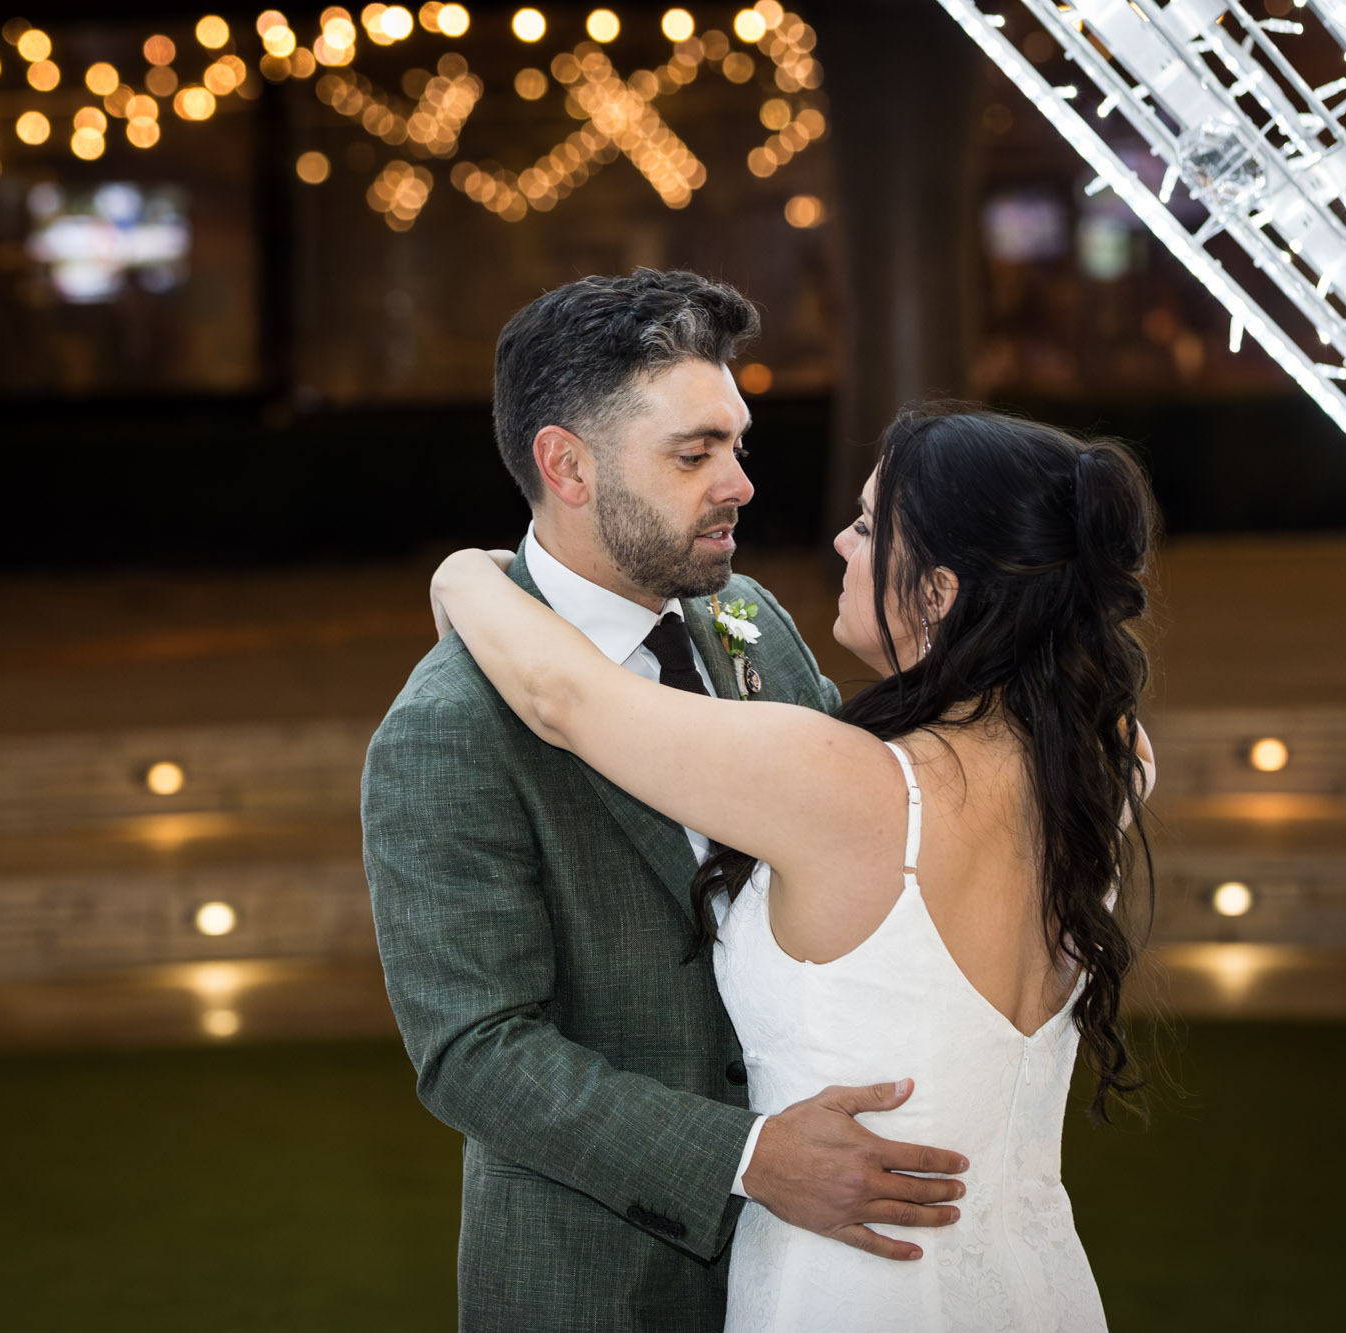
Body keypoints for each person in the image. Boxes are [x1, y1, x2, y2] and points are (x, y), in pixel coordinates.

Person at [427, 401, 1159, 1330]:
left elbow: (561, 696)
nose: (844, 546)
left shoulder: (843, 785)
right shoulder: (1109, 760)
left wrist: (464, 575)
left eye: (866, 526)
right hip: (1034, 1285)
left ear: (936, 591)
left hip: (855, 1291)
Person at [362, 271, 969, 1332]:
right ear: (567, 465)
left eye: (736, 444)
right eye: (693, 455)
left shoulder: (752, 622)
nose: (736, 482)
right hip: (598, 1283)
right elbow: (474, 1050)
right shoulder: (447, 726)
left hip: (821, 1275)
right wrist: (748, 1156)